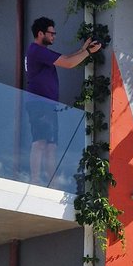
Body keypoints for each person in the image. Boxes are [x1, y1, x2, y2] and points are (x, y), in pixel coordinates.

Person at [24, 17, 101, 183]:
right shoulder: (36, 50)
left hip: (47, 104)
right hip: (39, 103)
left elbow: (65, 58)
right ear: (40, 33)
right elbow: (67, 63)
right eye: (51, 33)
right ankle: (35, 180)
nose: (54, 36)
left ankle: (52, 183)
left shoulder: (40, 52)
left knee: (51, 145)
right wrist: (88, 52)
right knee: (40, 141)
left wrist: (83, 49)